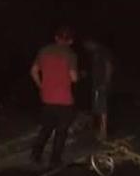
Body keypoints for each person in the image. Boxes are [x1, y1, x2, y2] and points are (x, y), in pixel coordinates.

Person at [29, 26, 78, 167]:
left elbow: (33, 71)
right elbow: (74, 78)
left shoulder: (43, 51)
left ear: (56, 38)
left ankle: (36, 155)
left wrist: (41, 86)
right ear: (70, 41)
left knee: (46, 128)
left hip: (47, 97)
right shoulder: (70, 54)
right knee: (61, 131)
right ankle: (55, 159)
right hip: (64, 99)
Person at [82, 38, 114, 139]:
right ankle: (98, 128)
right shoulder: (94, 54)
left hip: (101, 84)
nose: (86, 47)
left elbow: (109, 66)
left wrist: (106, 82)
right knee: (97, 106)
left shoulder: (103, 51)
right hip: (96, 84)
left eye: (86, 44)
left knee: (102, 106)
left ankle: (103, 131)